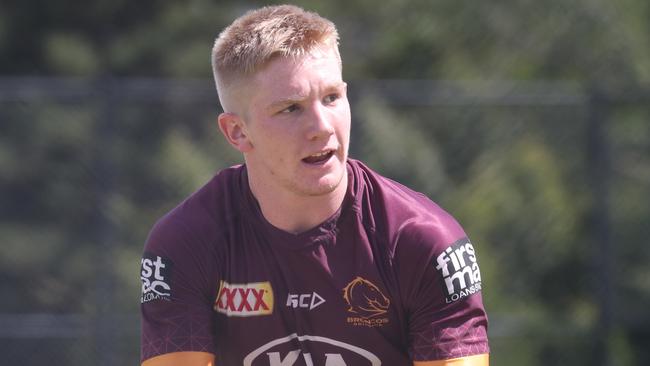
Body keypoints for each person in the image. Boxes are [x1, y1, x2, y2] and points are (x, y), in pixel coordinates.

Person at [140, 4, 489, 366]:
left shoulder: (423, 241)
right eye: (291, 108)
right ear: (237, 131)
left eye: (332, 98)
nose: (322, 126)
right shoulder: (187, 243)